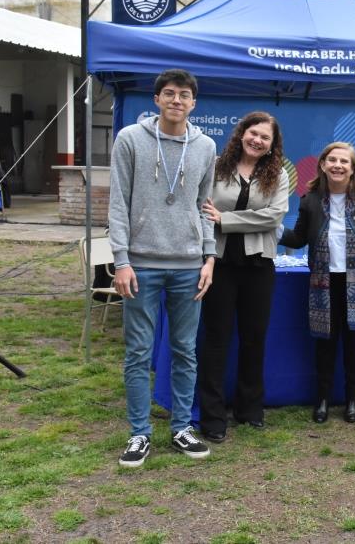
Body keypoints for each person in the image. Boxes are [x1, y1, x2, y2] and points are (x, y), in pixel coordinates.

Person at [109, 68, 217, 467]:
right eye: (169, 94)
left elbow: (205, 208)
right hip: (140, 264)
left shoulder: (206, 145)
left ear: (193, 103)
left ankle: (181, 428)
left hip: (189, 265)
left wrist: (209, 258)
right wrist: (121, 260)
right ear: (156, 99)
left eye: (184, 95)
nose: (176, 100)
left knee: (185, 350)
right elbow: (118, 202)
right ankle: (139, 433)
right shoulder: (131, 139)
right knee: (138, 352)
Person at [280, 141, 355, 424]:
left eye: (344, 161)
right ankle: (323, 400)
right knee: (324, 343)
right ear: (323, 165)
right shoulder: (310, 199)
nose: (338, 165)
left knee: (354, 343)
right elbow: (299, 238)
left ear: (353, 168)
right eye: (332, 160)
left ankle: (353, 401)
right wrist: (272, 227)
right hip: (322, 280)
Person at [197, 112, 289, 443]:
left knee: (254, 338)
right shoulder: (216, 165)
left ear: (272, 144)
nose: (257, 140)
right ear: (242, 133)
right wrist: (219, 219)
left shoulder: (277, 174)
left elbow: (273, 217)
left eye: (265, 137)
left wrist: (226, 218)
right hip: (217, 262)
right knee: (216, 340)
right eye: (253, 133)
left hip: (258, 265)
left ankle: (250, 409)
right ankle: (212, 416)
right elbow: (202, 209)